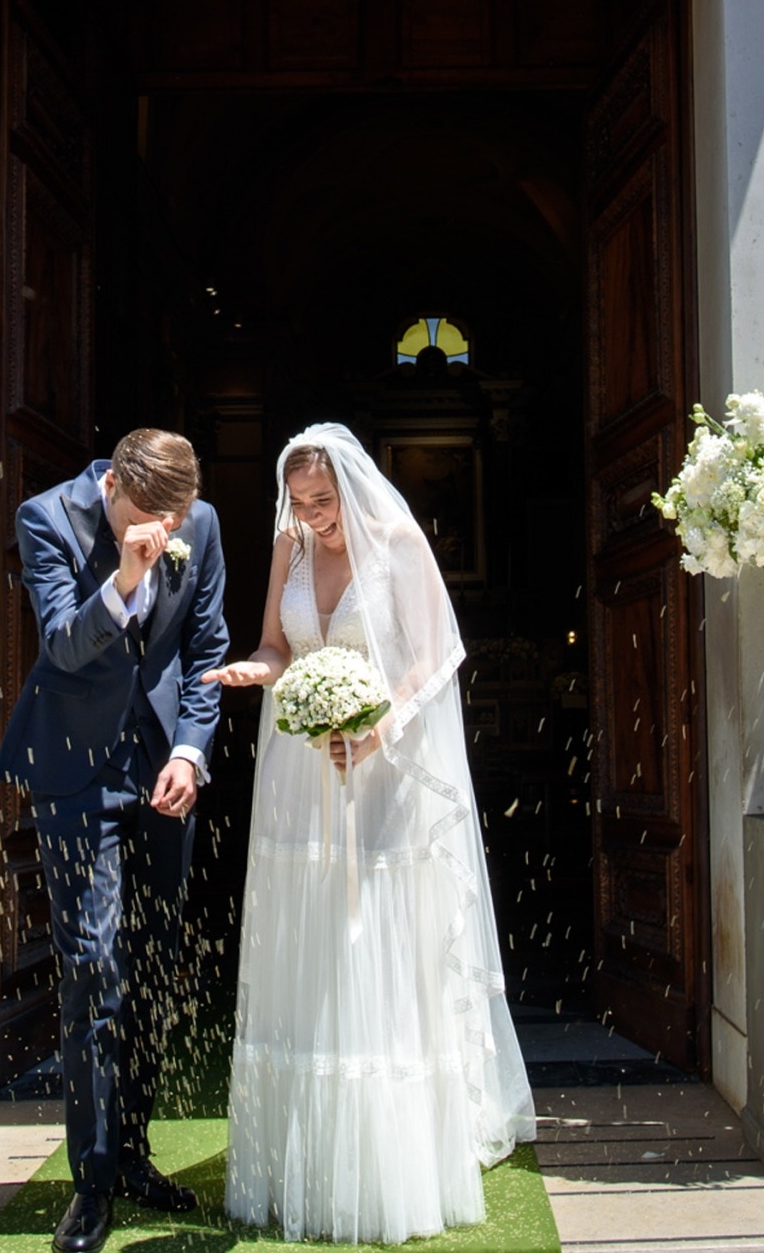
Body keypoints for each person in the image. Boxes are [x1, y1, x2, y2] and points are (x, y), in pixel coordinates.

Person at [208, 422, 535, 1244]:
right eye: (299, 501)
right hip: (298, 770)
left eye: (322, 501)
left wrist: (376, 727)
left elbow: (435, 654)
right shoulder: (288, 545)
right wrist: (258, 670)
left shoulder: (396, 543)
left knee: (374, 937)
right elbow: (278, 644)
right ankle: (307, 1155)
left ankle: (391, 1155)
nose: (312, 515)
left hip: (381, 767)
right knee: (309, 939)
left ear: (349, 488)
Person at [0, 428, 229, 1253]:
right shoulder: (46, 517)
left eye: (180, 515)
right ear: (113, 490)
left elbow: (205, 649)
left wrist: (192, 752)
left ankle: (131, 1153)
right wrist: (127, 575)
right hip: (74, 774)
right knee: (93, 966)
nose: (169, 529)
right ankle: (90, 1184)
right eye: (151, 516)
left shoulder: (199, 525)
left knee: (152, 962)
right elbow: (60, 642)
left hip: (163, 774)